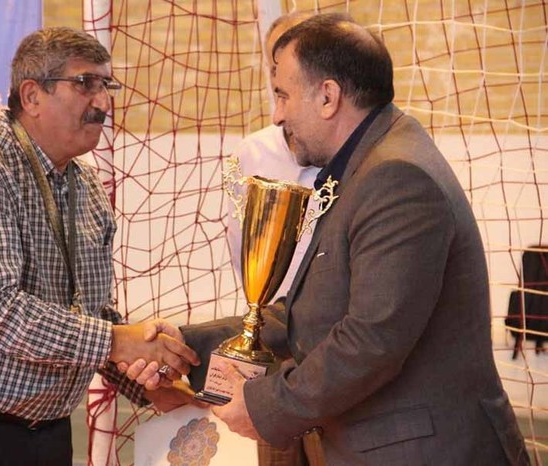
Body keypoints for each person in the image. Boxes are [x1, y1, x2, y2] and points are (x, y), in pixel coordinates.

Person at [131, 13, 530, 465]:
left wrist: (265, 408)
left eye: (283, 95)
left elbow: (372, 340)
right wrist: (184, 345)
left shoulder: (396, 176)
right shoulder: (366, 165)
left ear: (327, 97)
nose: (277, 115)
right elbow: (313, 312)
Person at [0, 27, 199, 466]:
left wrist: (146, 382)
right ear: (32, 96)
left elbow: (87, 314)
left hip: (43, 435)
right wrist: (116, 341)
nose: (103, 103)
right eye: (85, 83)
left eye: (106, 85)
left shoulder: (85, 186)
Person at [225, 10, 324, 466]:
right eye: (274, 65)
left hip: (331, 355)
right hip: (271, 348)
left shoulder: (355, 156)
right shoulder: (253, 152)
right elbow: (240, 249)